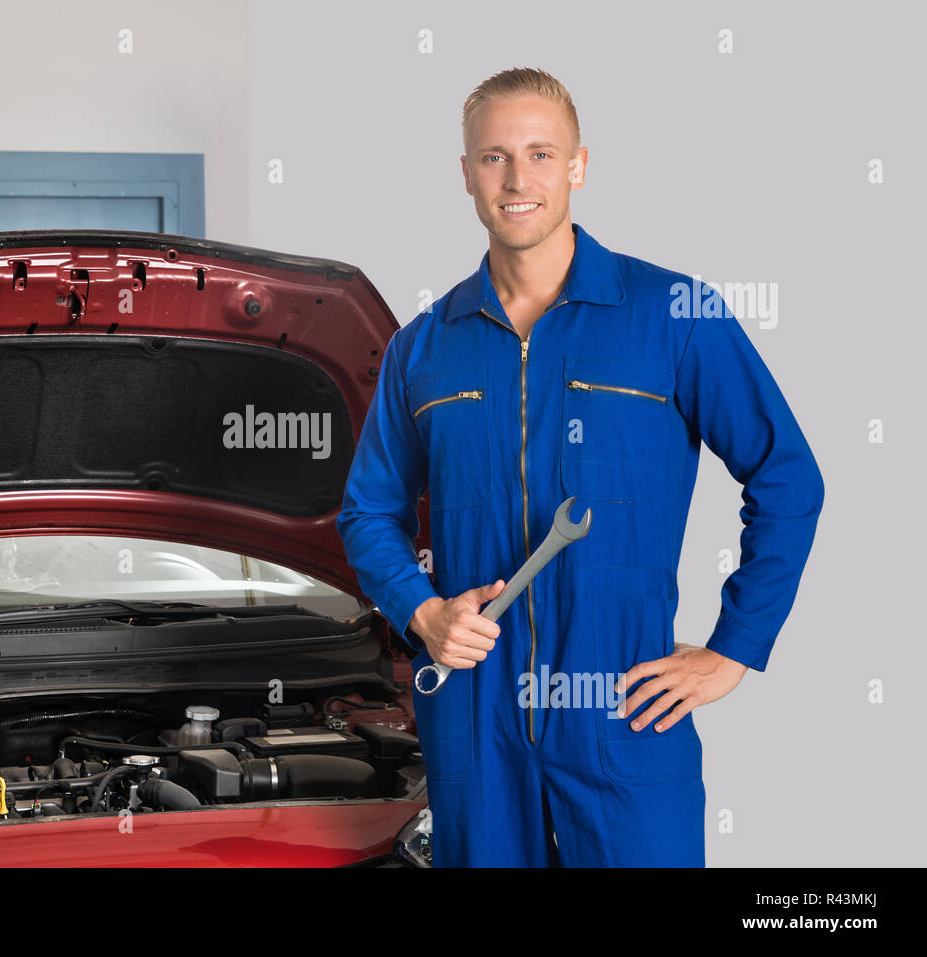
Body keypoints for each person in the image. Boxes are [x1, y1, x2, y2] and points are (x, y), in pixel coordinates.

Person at [336, 67, 824, 866]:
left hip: (625, 710)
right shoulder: (421, 347)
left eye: (540, 153)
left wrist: (736, 645)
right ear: (465, 174)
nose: (517, 178)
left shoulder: (673, 315)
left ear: (579, 166)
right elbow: (367, 511)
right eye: (494, 157)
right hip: (474, 719)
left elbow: (789, 477)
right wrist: (421, 613)